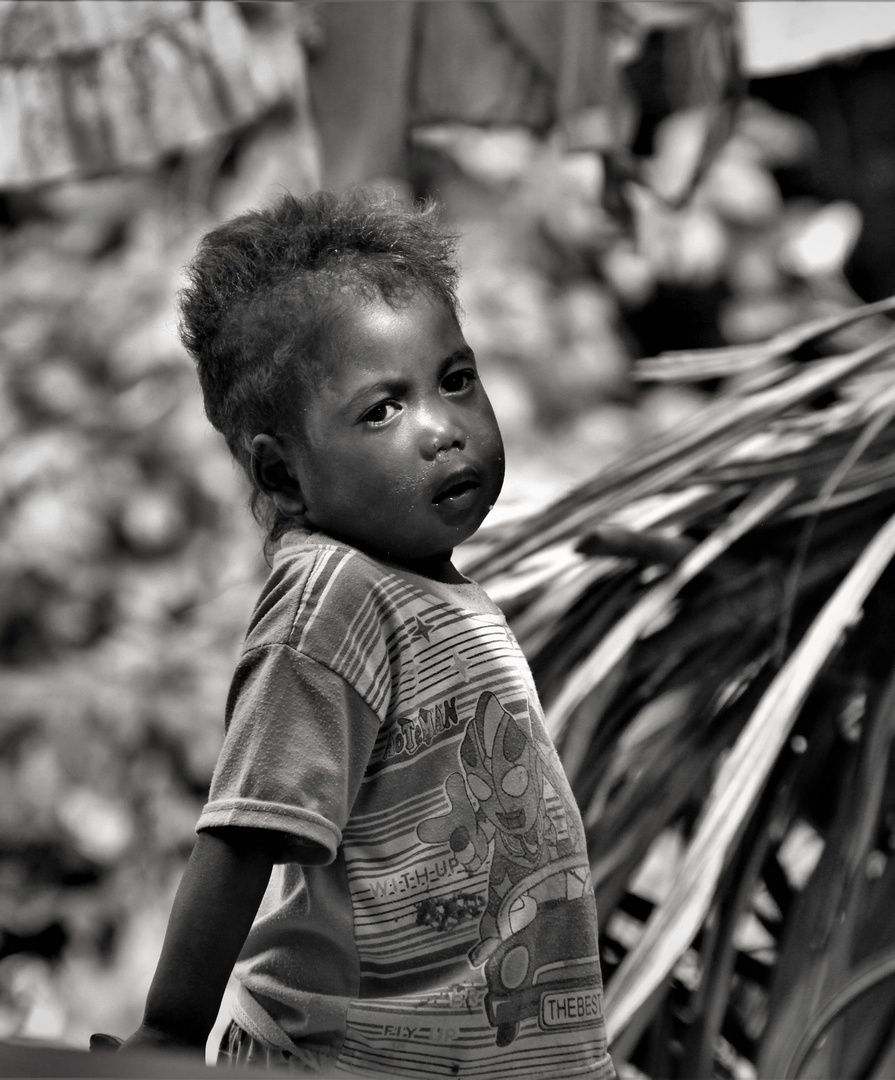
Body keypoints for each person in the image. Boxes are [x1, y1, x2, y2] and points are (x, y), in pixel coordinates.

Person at [111, 190, 614, 1077]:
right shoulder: (333, 596)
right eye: (382, 410)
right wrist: (167, 1036)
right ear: (282, 471)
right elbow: (246, 830)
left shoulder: (440, 597)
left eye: (455, 379)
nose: (441, 428)